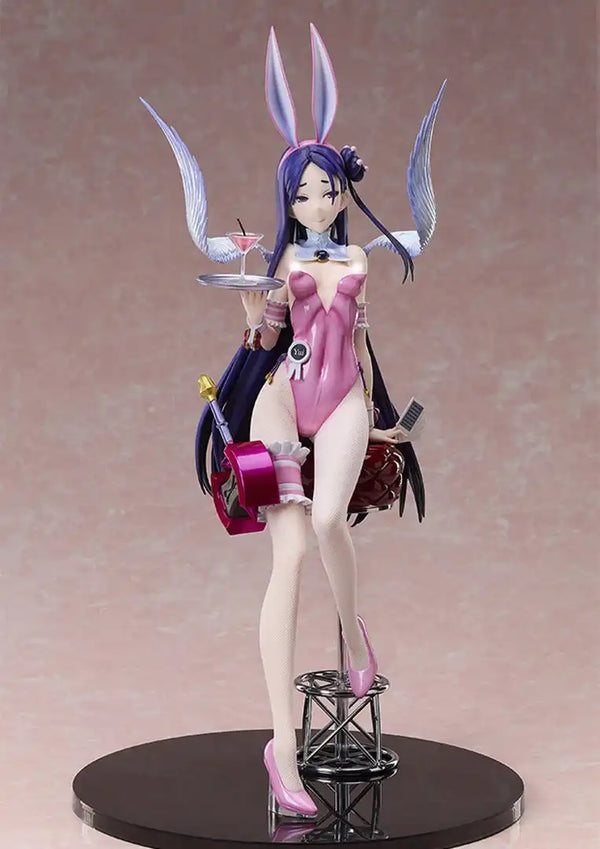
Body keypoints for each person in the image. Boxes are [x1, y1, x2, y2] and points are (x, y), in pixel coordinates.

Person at [141, 23, 444, 820]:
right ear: (288, 200)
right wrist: (251, 312)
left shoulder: (358, 259)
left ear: (342, 192)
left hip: (341, 397)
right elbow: (267, 339)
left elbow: (364, 344)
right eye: (303, 193)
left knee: (333, 519)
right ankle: (282, 745)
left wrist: (379, 416)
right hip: (283, 397)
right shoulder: (284, 262)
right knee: (293, 552)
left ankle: (354, 635)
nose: (316, 202)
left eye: (326, 189)